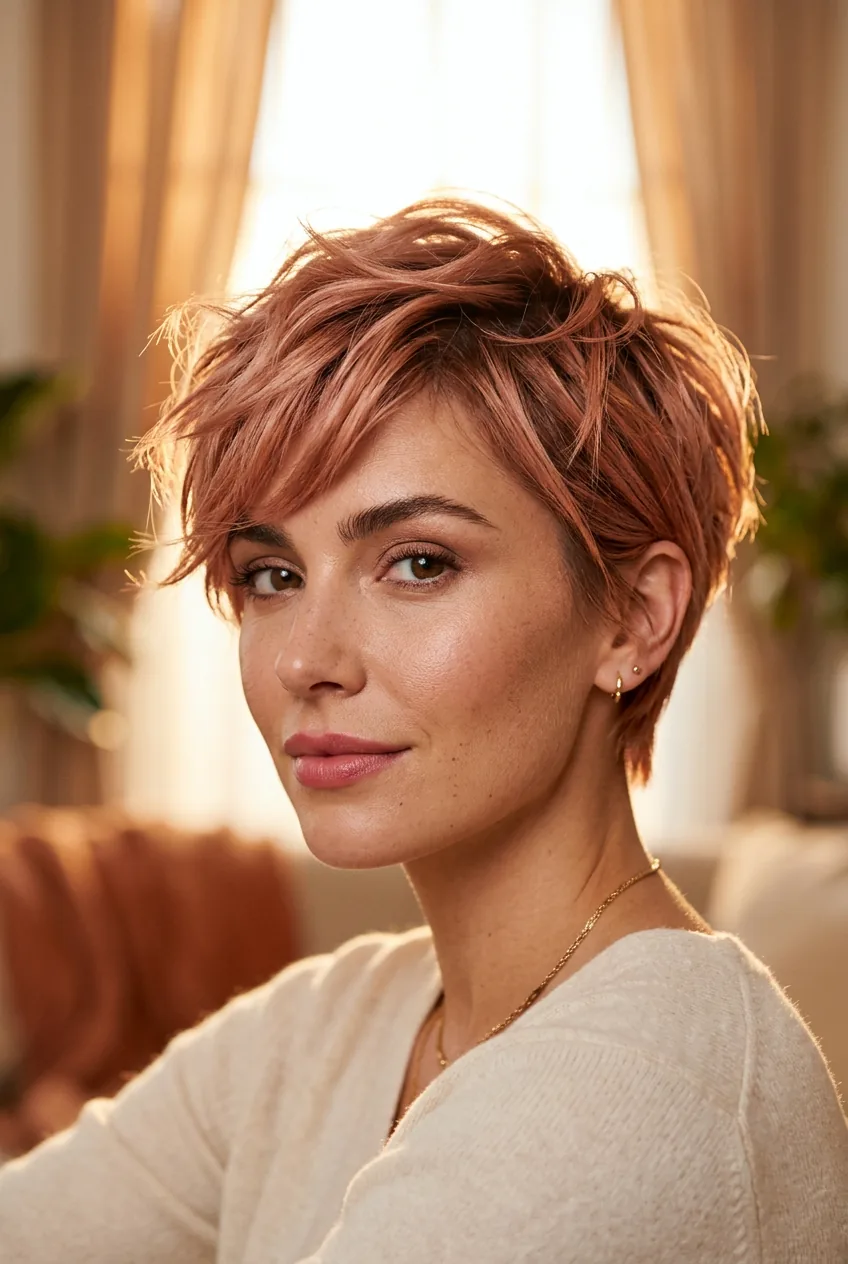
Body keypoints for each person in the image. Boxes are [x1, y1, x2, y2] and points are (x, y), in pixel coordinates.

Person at [1, 197, 846, 1262]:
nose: (308, 658)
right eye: (271, 575)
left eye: (417, 562)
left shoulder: (639, 1088)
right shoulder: (327, 1026)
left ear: (634, 616)